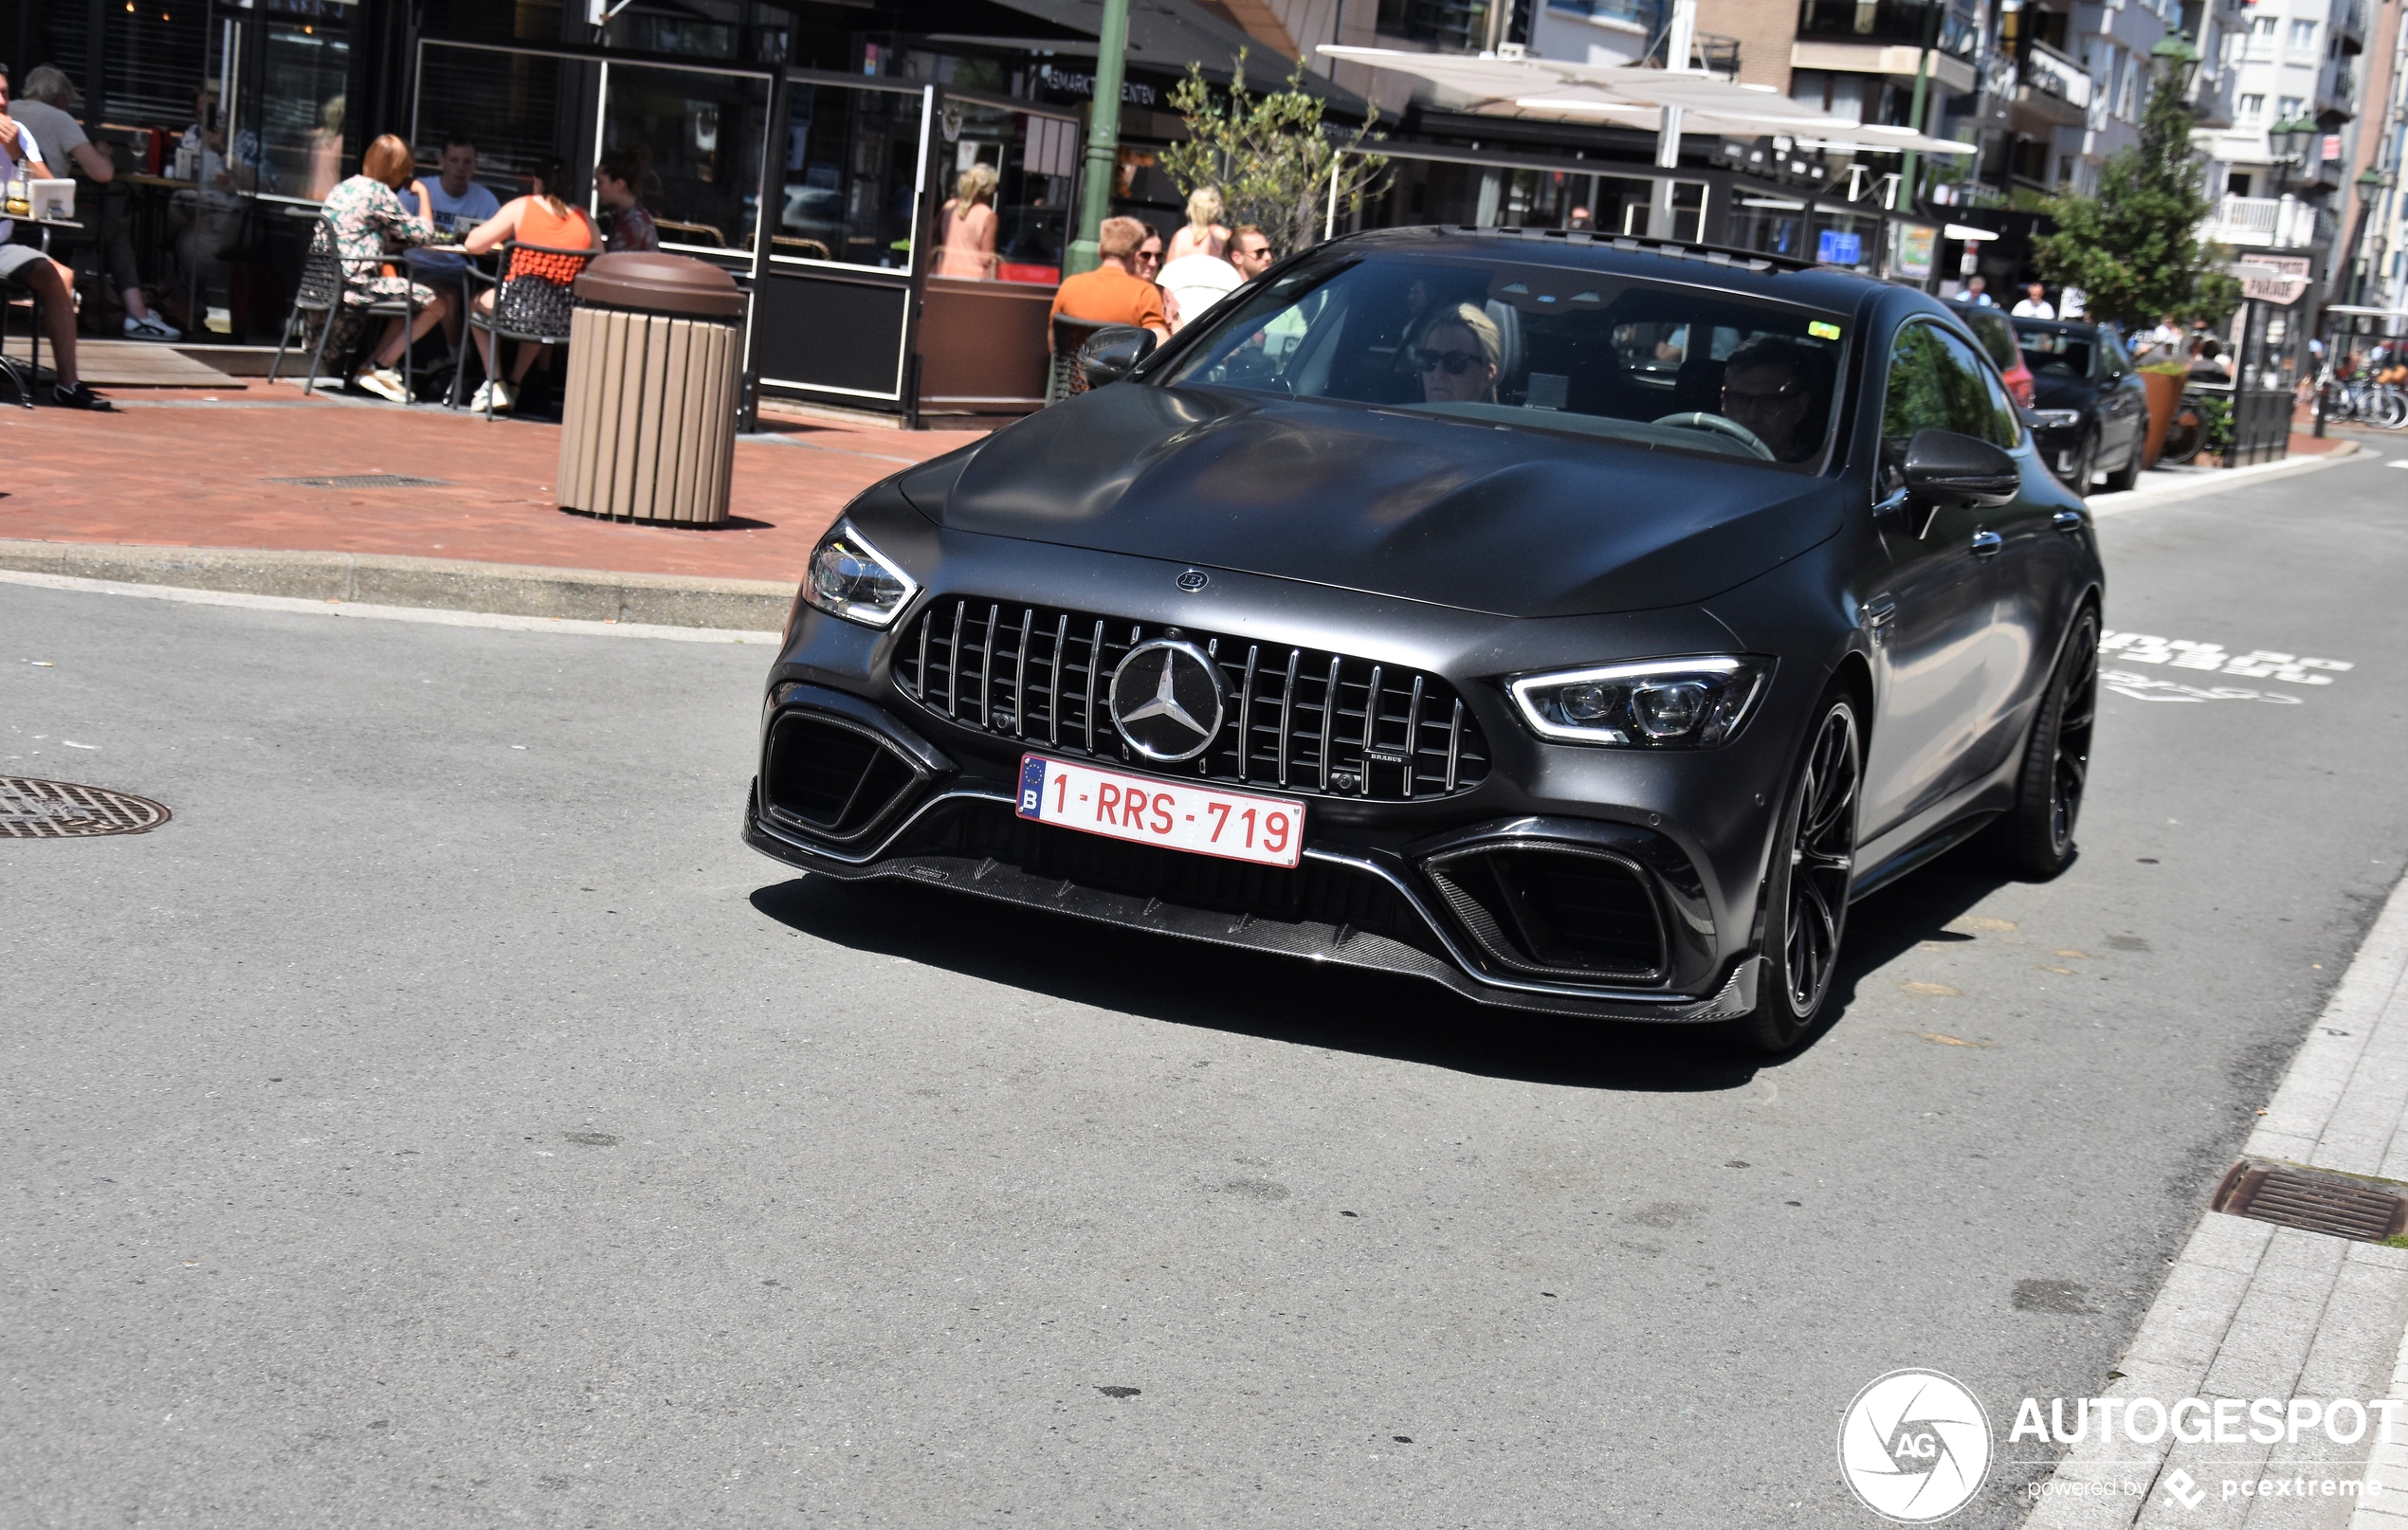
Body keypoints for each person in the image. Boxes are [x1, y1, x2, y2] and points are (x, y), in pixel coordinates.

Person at [12, 64, 176, 341]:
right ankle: (138, 315)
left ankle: (44, 306)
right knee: (114, 229)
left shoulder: (8, 111)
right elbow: (102, 173)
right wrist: (102, 152)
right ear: (60, 98)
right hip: (43, 217)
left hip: (10, 218)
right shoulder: (59, 118)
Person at [459, 155, 599, 414]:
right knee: (540, 308)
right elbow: (600, 264)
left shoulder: (522, 207)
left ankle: (495, 381)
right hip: (561, 315)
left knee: (476, 303)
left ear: (537, 182)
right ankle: (514, 383)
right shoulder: (585, 220)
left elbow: (473, 244)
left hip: (517, 308)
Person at [319, 133, 452, 405]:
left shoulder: (347, 186)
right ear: (398, 170)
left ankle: (371, 367)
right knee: (438, 303)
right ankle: (381, 366)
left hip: (327, 282)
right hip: (355, 286)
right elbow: (423, 235)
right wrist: (423, 193)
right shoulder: (379, 194)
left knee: (405, 299)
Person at [0, 65, 106, 407]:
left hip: (2, 244)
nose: (2, 102)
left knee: (61, 275)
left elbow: (58, 202)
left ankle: (68, 385)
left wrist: (18, 154)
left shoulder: (20, 135)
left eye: (4, 93)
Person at [408, 133, 502, 351]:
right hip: (420, 267)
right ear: (441, 161)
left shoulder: (485, 199)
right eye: (454, 160)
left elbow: (500, 242)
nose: (460, 168)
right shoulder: (420, 189)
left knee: (466, 297)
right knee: (449, 295)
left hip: (465, 271)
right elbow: (395, 228)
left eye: (467, 162)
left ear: (476, 165)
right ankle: (458, 358)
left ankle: (460, 361)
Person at [1048, 214, 1166, 338]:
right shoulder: (1144, 294)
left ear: (1100, 250)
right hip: (1122, 358)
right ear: (1135, 257)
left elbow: (1053, 342)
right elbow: (1161, 345)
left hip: (1075, 358)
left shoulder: (1069, 286)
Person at [1718, 335, 1831, 463]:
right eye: (1740, 399)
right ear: (1724, 402)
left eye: (1769, 401)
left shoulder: (1812, 474)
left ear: (1800, 407)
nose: (1752, 417)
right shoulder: (1698, 453)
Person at [1415, 302, 1501, 405]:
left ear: (1487, 376)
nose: (1437, 374)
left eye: (1453, 362)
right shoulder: (1400, 419)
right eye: (1429, 359)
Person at [1156, 238, 1241, 335]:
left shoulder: (1180, 237)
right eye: (1146, 255)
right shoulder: (1161, 291)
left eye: (1158, 256)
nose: (1153, 262)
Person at [933, 162, 996, 278]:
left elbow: (933, 237)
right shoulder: (988, 216)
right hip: (971, 282)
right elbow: (986, 259)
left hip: (943, 276)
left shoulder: (949, 206)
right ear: (988, 190)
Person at [594, 149, 657, 254]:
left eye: (600, 182)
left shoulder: (634, 225)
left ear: (619, 185)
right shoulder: (624, 217)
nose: (595, 187)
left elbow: (608, 264)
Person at [1166, 186, 1229, 262]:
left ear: (1192, 209)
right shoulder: (1223, 235)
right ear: (1217, 211)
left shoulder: (1181, 235)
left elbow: (1168, 269)